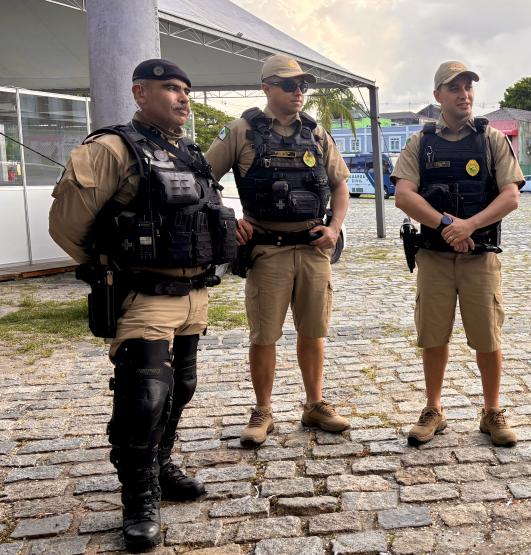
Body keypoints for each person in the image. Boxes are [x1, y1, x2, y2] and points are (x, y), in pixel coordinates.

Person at [49, 59, 236, 552]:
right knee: (144, 398)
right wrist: (108, 265)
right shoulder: (111, 149)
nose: (182, 98)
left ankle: (162, 465)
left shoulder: (190, 153)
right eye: (170, 88)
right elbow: (67, 223)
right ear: (139, 93)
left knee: (182, 388)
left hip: (194, 294)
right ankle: (139, 499)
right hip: (145, 295)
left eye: (185, 90)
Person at [205, 54, 351, 447]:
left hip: (312, 248)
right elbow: (204, 178)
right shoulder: (241, 130)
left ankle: (315, 404)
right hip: (267, 249)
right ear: (266, 87)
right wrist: (228, 217)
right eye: (289, 85)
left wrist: (335, 228)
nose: (298, 92)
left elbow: (340, 185)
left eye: (303, 85)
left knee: (314, 331)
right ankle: (263, 410)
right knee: (264, 334)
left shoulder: (317, 134)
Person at [393, 61, 524, 447]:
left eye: (468, 87)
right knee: (433, 335)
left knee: (488, 336)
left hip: (480, 256)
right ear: (438, 96)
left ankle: (492, 411)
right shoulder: (421, 142)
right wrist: (449, 225)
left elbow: (511, 196)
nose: (464, 94)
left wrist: (469, 226)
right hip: (434, 256)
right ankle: (433, 408)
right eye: (454, 88)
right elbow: (404, 195)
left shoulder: (491, 139)